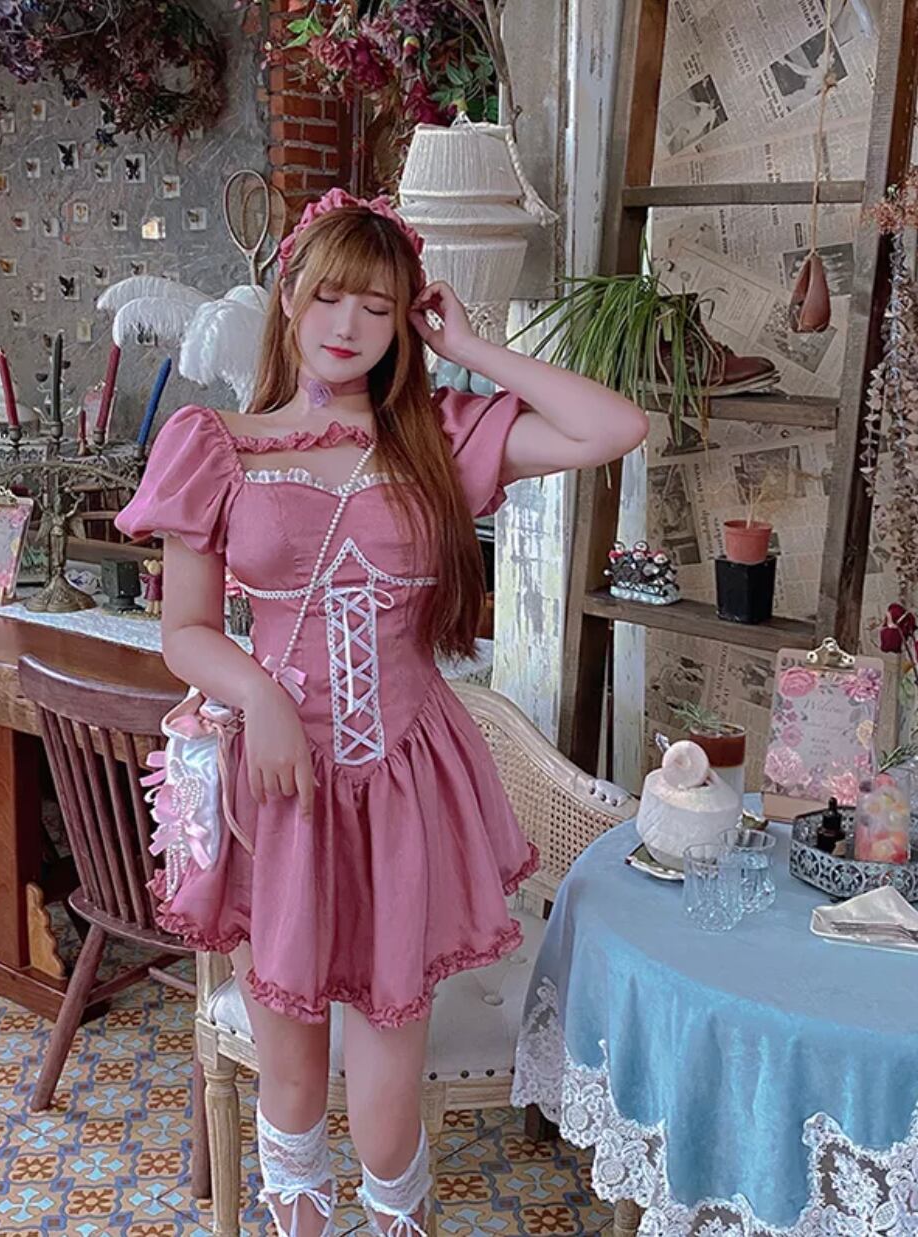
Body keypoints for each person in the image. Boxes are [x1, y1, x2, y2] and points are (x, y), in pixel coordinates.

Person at [115, 188, 648, 1237]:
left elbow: (617, 426)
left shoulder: (438, 437)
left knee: (389, 1092)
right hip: (281, 793)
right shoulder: (214, 443)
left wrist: (471, 351)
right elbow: (186, 630)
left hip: (408, 785)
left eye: (377, 305)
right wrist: (257, 692)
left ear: (407, 319)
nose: (348, 324)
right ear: (289, 298)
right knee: (291, 1076)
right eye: (329, 297)